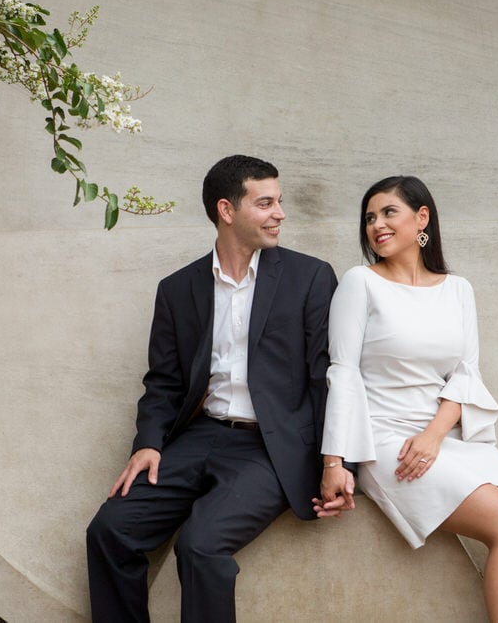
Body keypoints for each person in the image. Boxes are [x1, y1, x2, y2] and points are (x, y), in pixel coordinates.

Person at [87, 155, 339, 623]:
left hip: (270, 445)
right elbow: (162, 381)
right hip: (198, 436)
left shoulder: (310, 278)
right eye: (265, 203)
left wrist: (336, 462)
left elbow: (326, 378)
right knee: (110, 529)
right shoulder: (178, 289)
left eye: (279, 202)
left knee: (200, 545)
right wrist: (147, 443)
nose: (279, 213)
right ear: (227, 210)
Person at [313, 175, 498, 622]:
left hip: (440, 436)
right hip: (387, 441)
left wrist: (434, 435)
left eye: (389, 212)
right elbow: (343, 373)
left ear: (421, 217)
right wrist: (335, 462)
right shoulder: (360, 282)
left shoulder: (458, 289)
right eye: (369, 217)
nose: (376, 225)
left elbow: (465, 376)